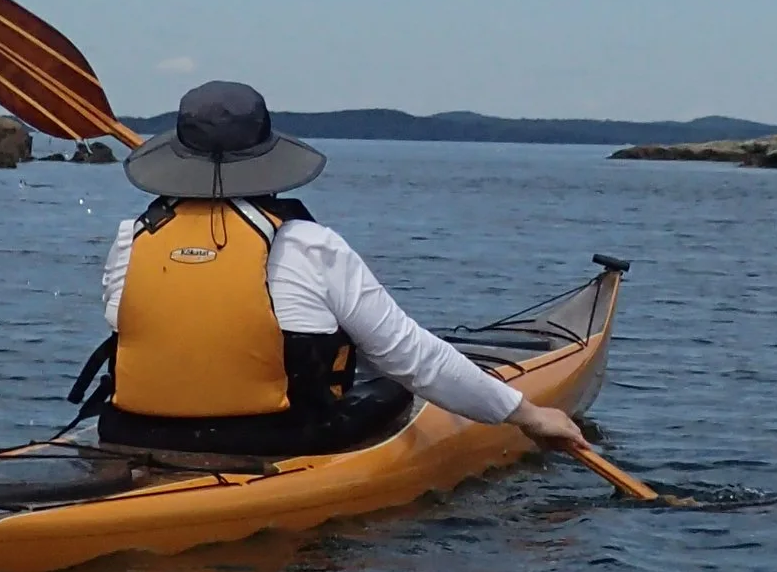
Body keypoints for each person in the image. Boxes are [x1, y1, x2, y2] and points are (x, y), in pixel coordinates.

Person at [83, 79, 589, 461]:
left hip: (130, 430)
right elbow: (413, 358)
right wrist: (527, 415)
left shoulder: (134, 236)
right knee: (395, 382)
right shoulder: (309, 244)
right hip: (268, 440)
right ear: (266, 156)